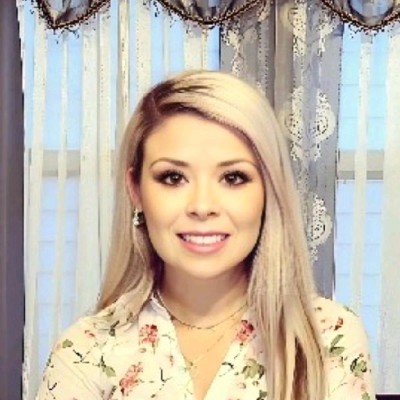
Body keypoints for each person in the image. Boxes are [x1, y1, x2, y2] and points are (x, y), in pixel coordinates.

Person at [36, 70, 375, 400]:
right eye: (173, 178)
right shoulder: (85, 351)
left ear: (268, 191)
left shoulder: (328, 338)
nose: (202, 206)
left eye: (233, 178)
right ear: (135, 190)